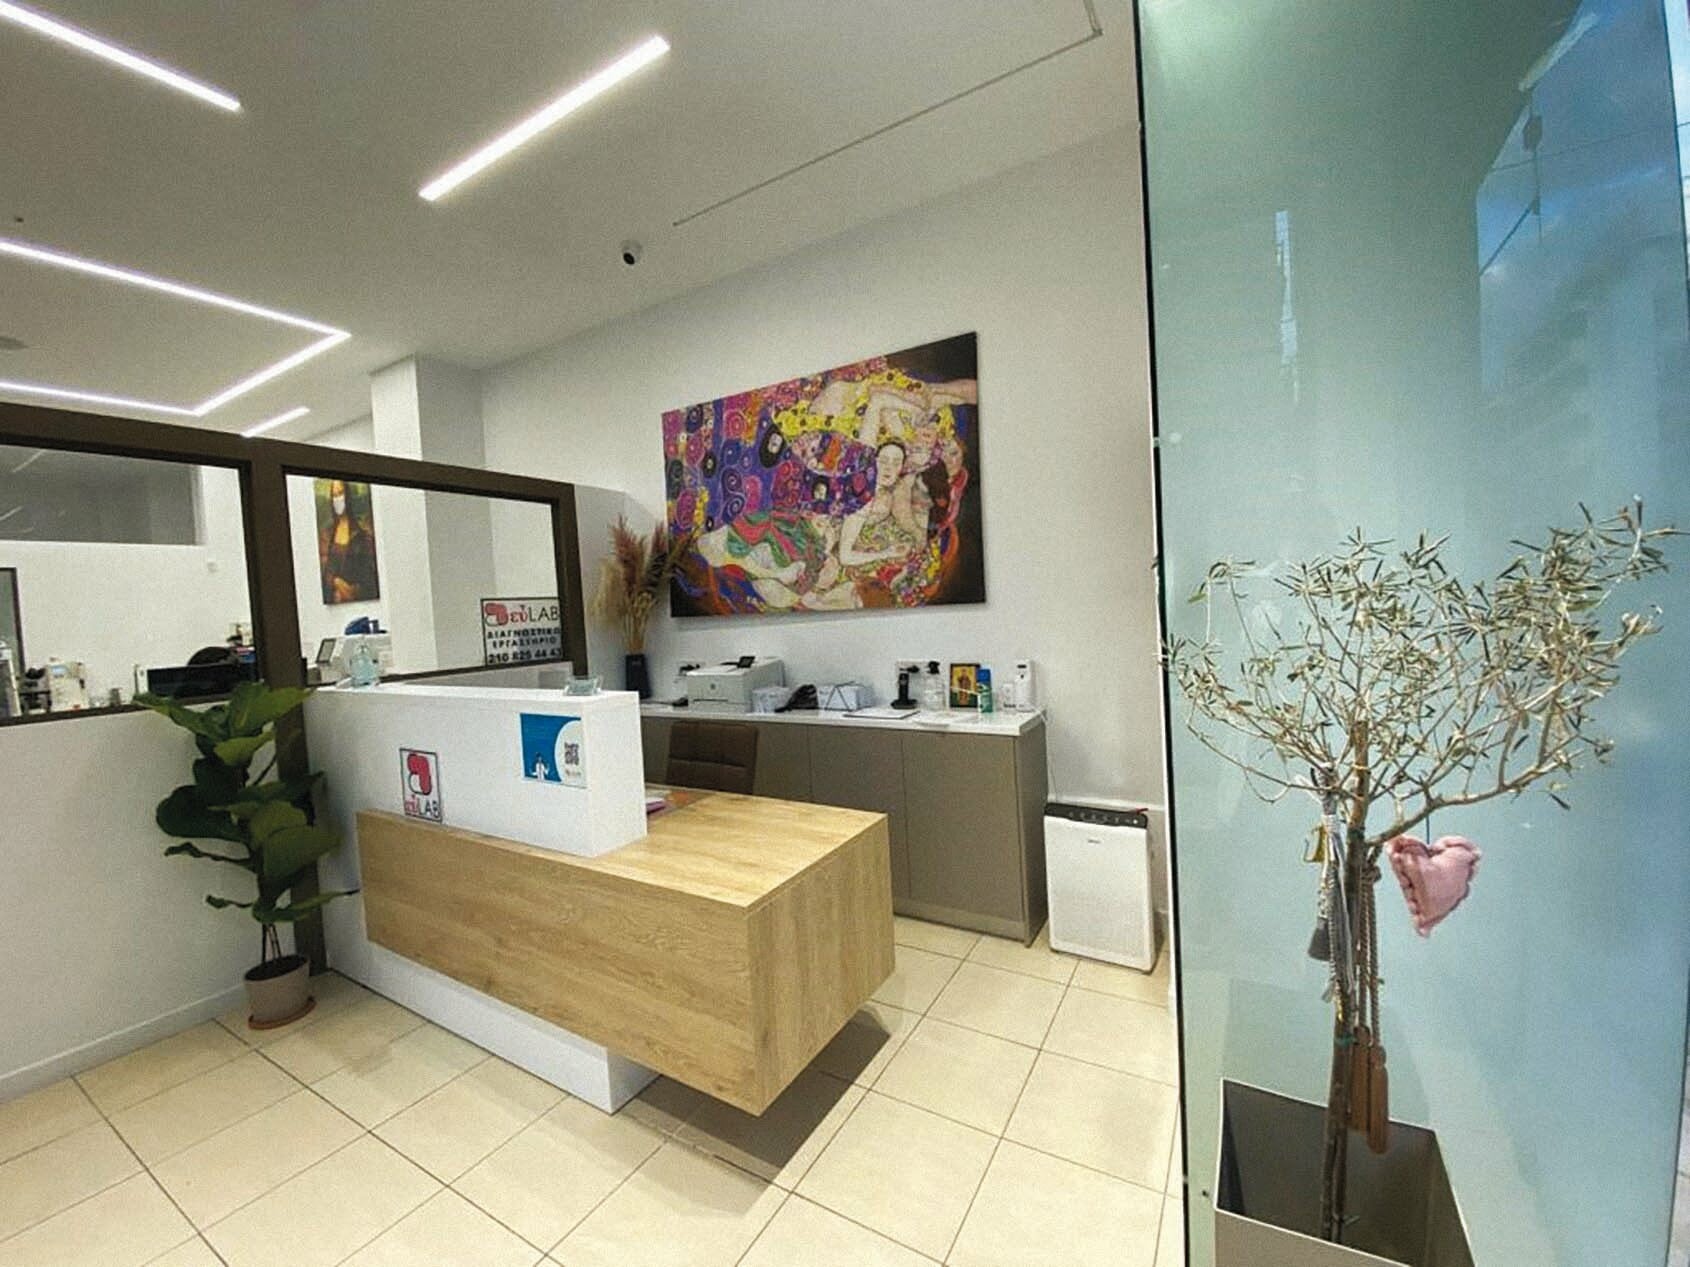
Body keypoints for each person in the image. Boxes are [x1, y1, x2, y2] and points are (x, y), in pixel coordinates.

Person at [318, 479, 380, 604]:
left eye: (340, 493)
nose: (338, 499)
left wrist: (353, 591)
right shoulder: (326, 535)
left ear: (347, 495)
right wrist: (336, 583)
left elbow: (369, 576)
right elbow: (324, 573)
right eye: (334, 495)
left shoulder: (362, 536)